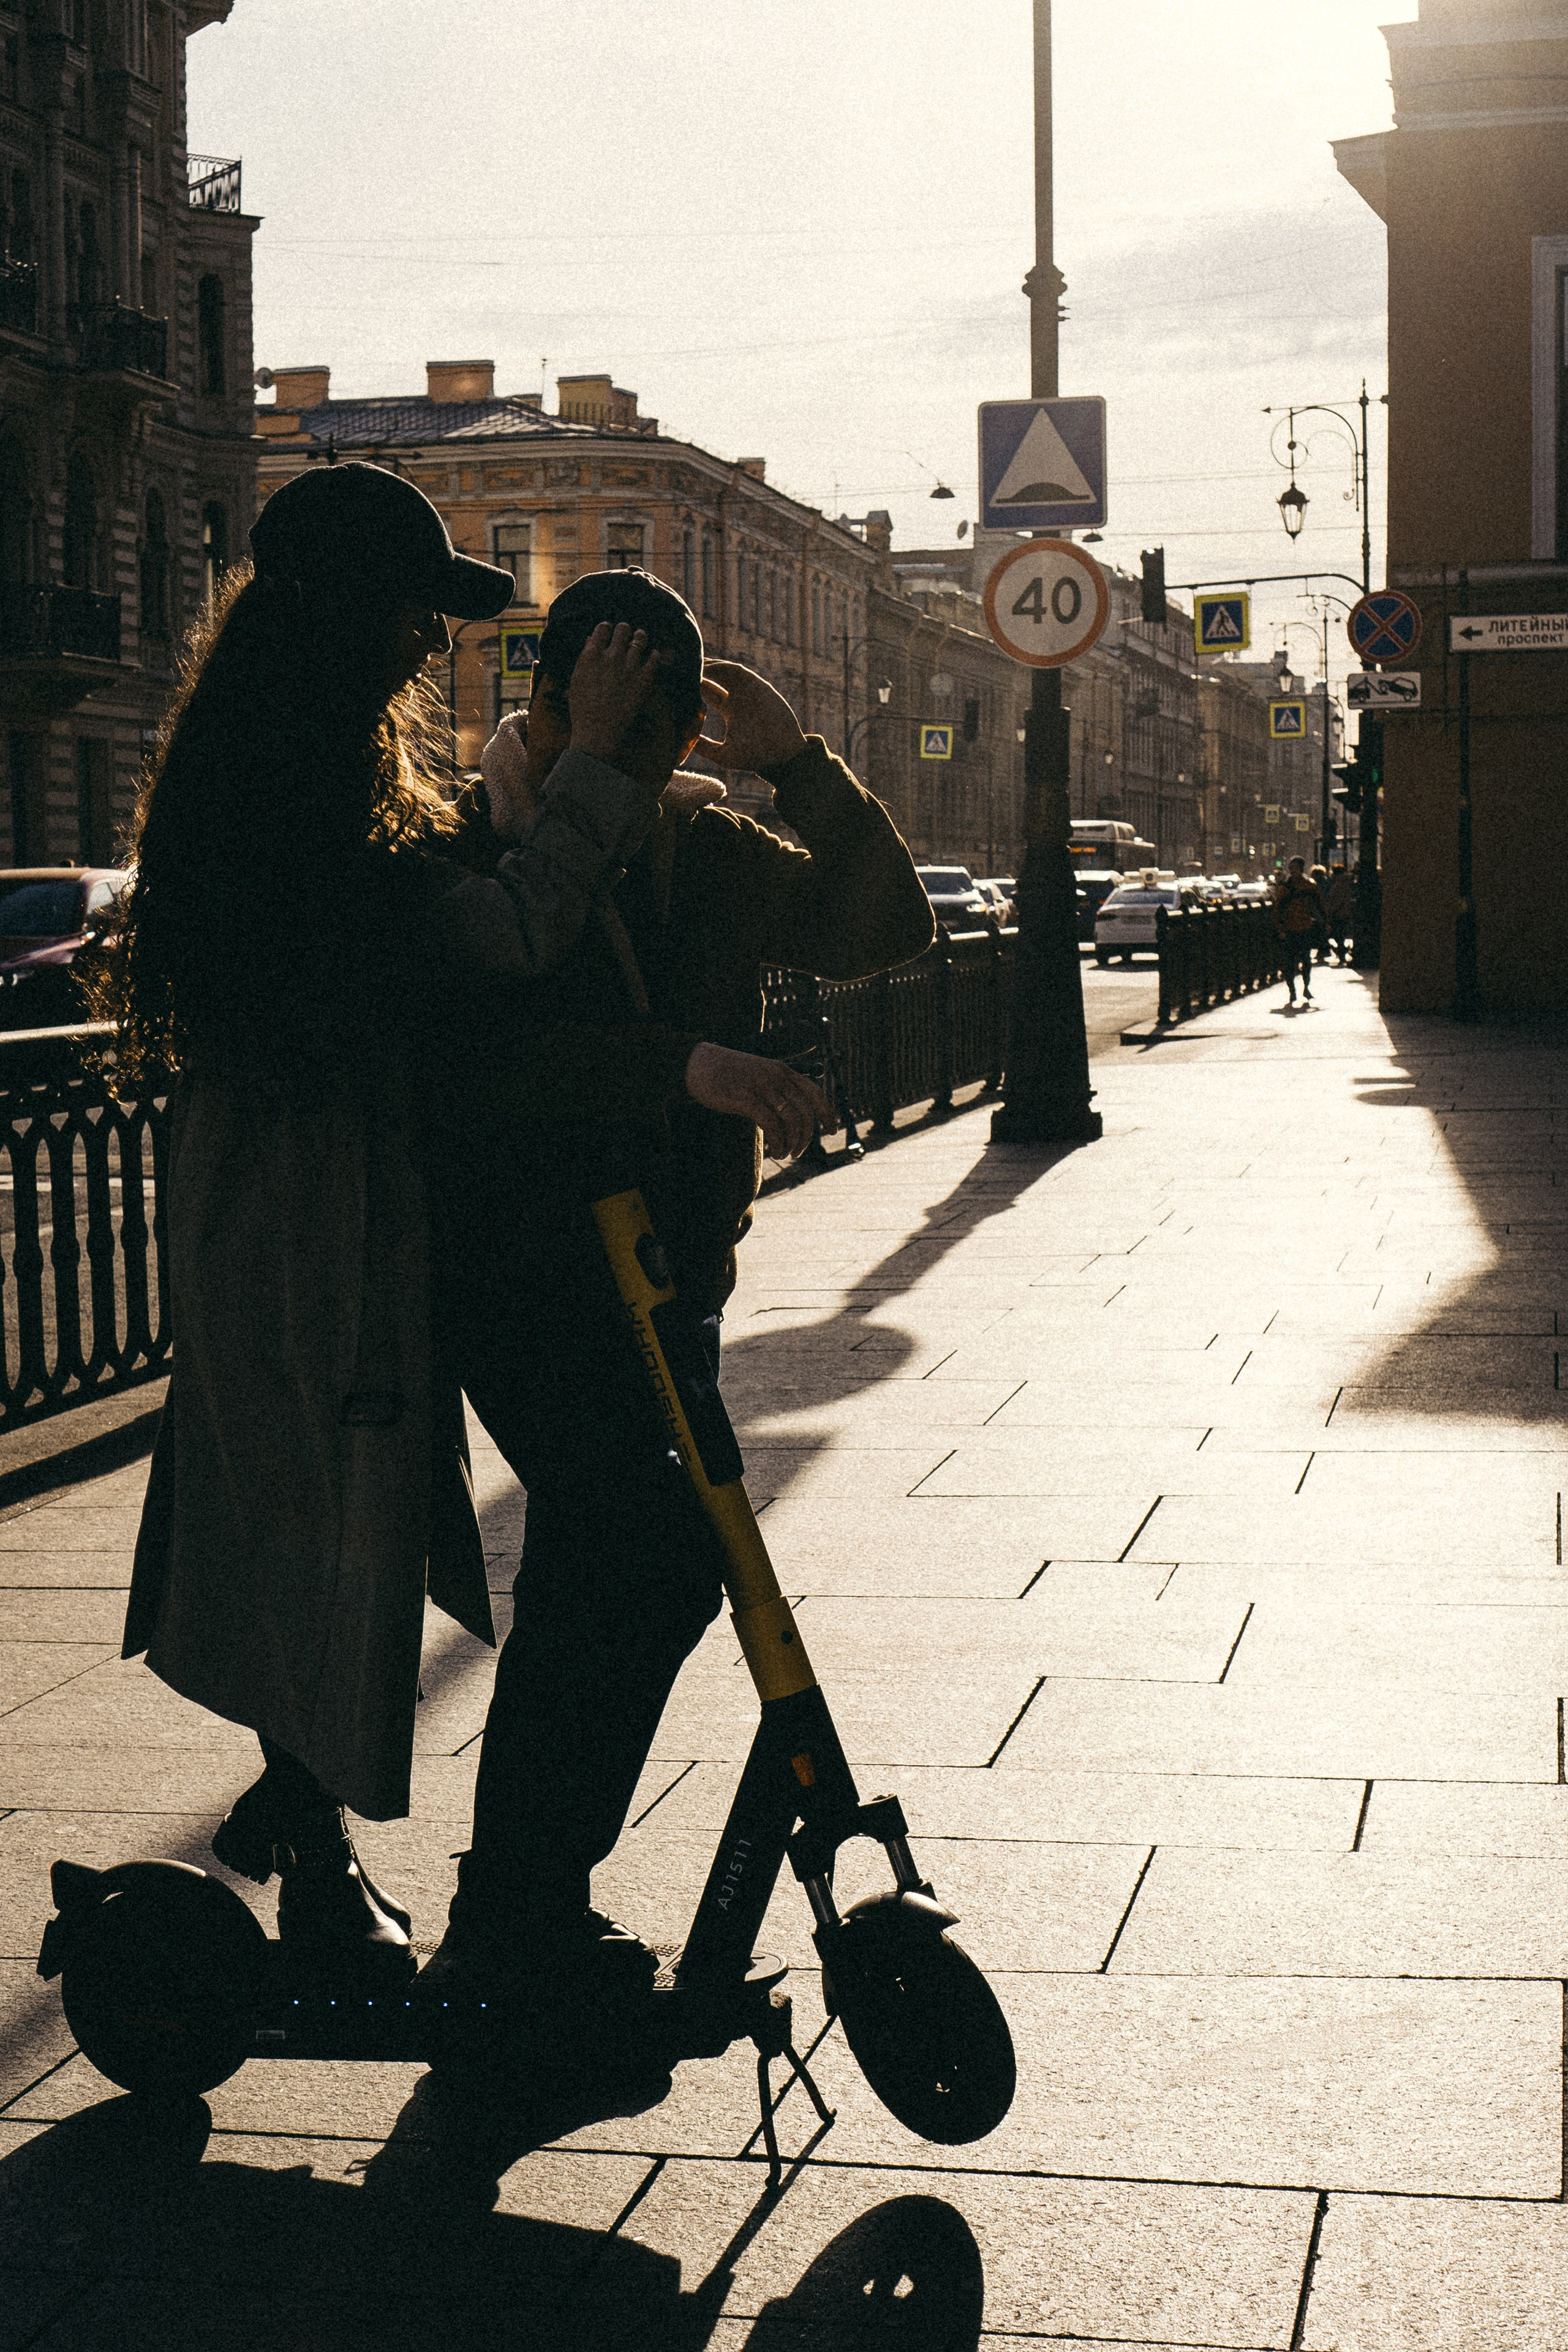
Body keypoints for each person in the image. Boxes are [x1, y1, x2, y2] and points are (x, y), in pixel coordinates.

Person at [108, 464, 829, 1986]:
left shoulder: (300, 763)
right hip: (310, 1225)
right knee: (334, 1522)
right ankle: (380, 1876)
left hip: (333, 1210)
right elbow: (505, 937)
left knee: (342, 1524)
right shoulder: (292, 794)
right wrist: (596, 771)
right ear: (344, 615)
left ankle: (345, 1855)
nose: (431, 644)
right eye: (414, 613)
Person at [421, 565, 934, 2012]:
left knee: (623, 1566)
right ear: (541, 702)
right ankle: (513, 1905)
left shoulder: (701, 843)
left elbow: (880, 927)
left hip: (671, 1275)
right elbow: (492, 1050)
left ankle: (524, 1903)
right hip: (525, 1277)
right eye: (595, 726)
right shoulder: (470, 840)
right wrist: (685, 1067)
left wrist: (798, 764)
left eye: (656, 737)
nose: (629, 762)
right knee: (634, 1550)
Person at [1273, 856, 1327, 1005]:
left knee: (1306, 960)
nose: (1293, 871)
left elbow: (1319, 905)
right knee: (1289, 963)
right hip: (1290, 929)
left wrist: (1325, 921)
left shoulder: (1309, 885)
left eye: (1295, 868)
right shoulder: (1285, 887)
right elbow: (1278, 910)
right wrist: (1280, 928)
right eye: (1291, 868)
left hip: (1305, 927)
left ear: (1302, 869)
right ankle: (1292, 991)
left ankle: (1306, 987)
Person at [1325, 862, 1354, 964]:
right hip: (1345, 912)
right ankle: (1343, 952)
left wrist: (1331, 911)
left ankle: (1342, 954)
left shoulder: (1339, 885)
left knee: (1338, 935)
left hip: (1339, 914)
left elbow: (1338, 900)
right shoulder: (1346, 883)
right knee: (1340, 935)